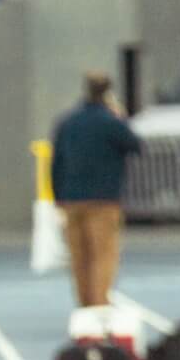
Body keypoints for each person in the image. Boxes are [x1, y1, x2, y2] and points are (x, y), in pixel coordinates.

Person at [50, 72, 142, 309]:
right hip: (103, 199)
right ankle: (100, 306)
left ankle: (84, 305)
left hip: (72, 199)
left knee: (79, 257)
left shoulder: (68, 121)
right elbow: (135, 144)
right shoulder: (110, 121)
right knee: (102, 255)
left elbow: (56, 161)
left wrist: (58, 197)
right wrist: (121, 117)